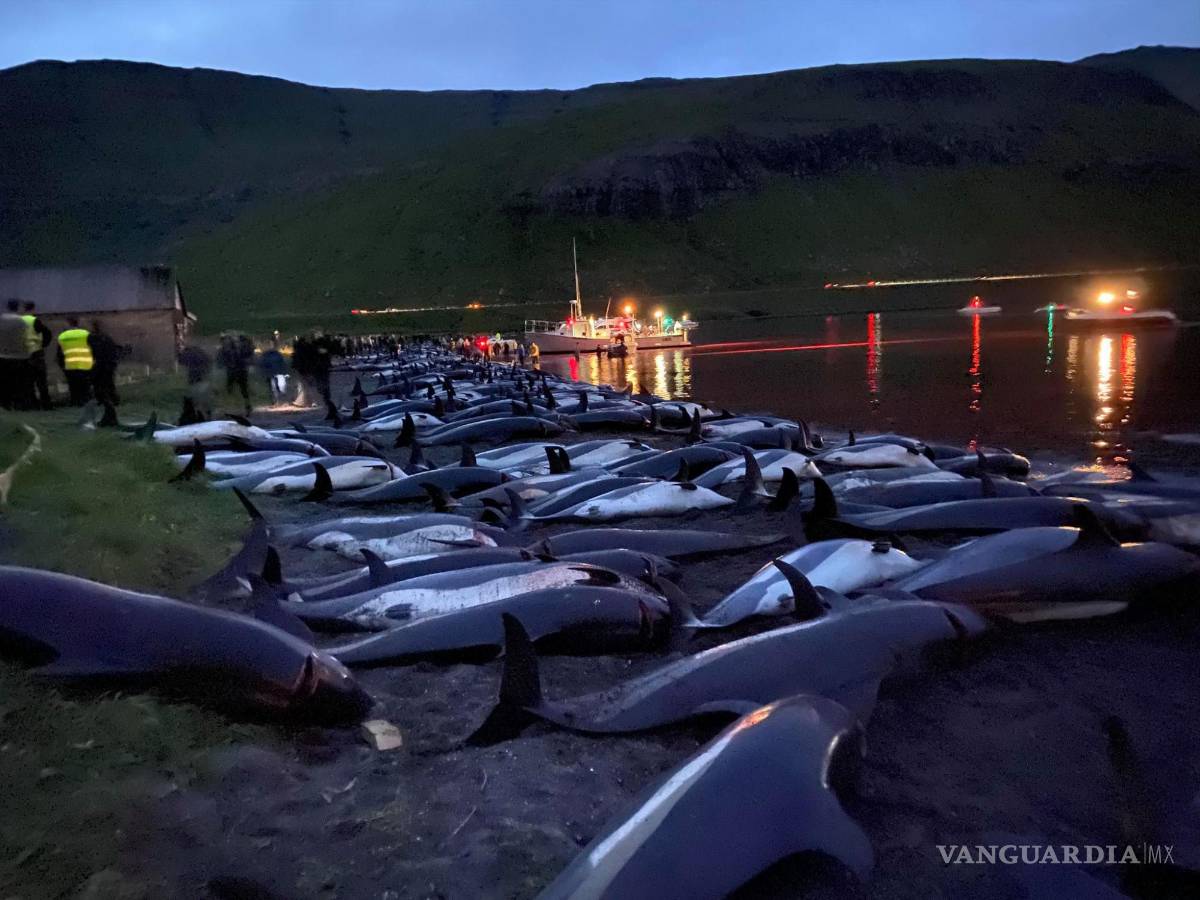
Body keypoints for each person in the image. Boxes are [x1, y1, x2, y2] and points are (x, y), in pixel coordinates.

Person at [0, 299, 31, 409]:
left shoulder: (1, 320)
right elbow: (25, 338)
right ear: (17, 308)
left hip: (3, 356)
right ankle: (19, 404)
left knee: (4, 382)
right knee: (19, 383)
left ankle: (5, 404)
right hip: (20, 356)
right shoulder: (21, 322)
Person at [88, 321, 126, 409]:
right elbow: (113, 349)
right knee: (108, 383)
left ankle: (103, 400)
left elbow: (94, 351)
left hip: (100, 363)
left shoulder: (92, 338)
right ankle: (113, 400)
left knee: (99, 384)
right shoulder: (106, 338)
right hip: (107, 363)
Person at [56, 317, 94, 406]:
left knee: (73, 385)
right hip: (86, 363)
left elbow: (60, 353)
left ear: (68, 323)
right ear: (78, 323)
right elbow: (93, 347)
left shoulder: (63, 336)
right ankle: (87, 401)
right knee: (85, 385)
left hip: (70, 364)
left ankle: (75, 402)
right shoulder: (86, 333)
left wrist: (62, 365)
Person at [22, 302, 52, 410]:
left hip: (23, 354)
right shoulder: (34, 321)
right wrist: (42, 345)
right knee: (41, 381)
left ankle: (32, 404)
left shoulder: (19, 321)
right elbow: (48, 333)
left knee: (28, 381)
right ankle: (46, 404)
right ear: (33, 309)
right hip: (36, 353)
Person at [218, 332, 253, 415]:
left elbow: (222, 359)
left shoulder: (228, 350)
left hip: (234, 371)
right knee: (243, 390)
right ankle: (245, 407)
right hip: (240, 371)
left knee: (231, 390)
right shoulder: (240, 348)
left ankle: (232, 408)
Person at [178, 343, 213, 423]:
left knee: (194, 399)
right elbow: (210, 362)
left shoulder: (189, 355)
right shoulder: (202, 354)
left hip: (194, 380)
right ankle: (208, 415)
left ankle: (197, 416)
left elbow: (181, 361)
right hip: (204, 379)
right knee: (204, 399)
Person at [259, 340, 289, 405]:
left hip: (274, 372)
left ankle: (277, 400)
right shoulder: (272, 354)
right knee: (273, 387)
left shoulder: (273, 354)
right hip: (272, 372)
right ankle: (277, 400)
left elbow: (282, 363)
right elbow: (262, 364)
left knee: (275, 386)